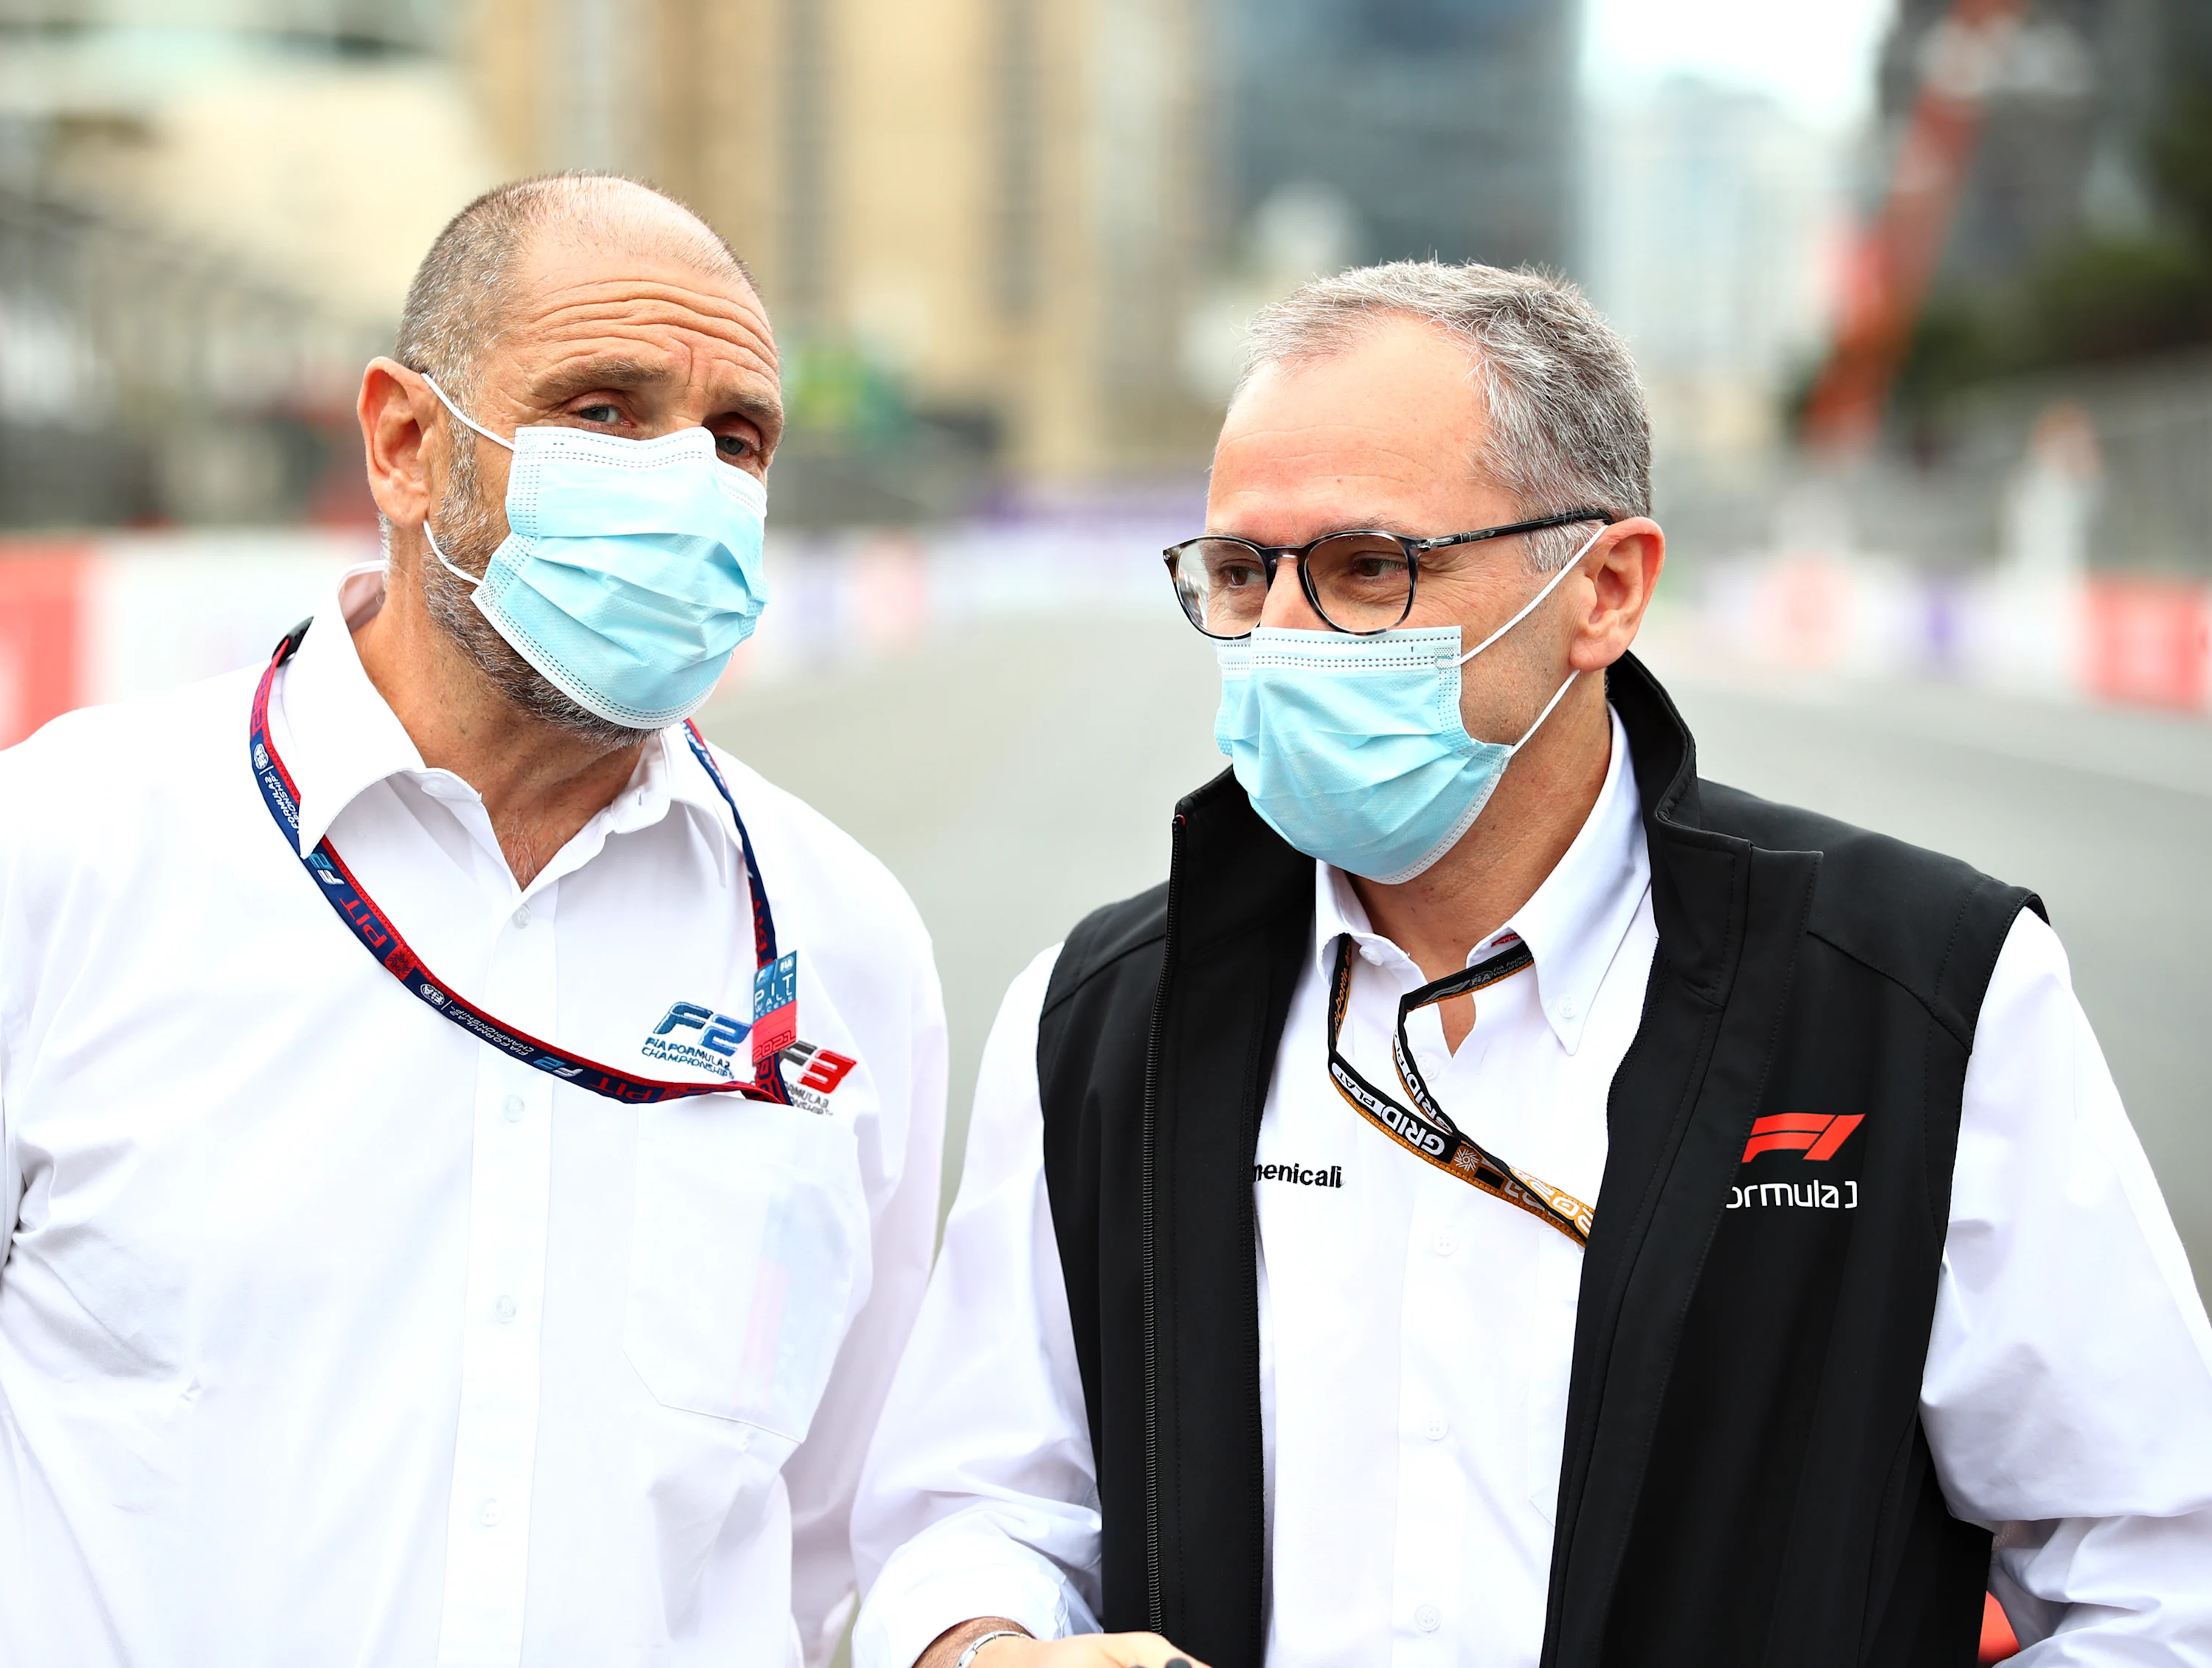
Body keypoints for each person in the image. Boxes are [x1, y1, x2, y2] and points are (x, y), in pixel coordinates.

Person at [849, 263, 2212, 1668]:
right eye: (1244, 572)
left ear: (1603, 590)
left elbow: (2159, 1578)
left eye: (1370, 568)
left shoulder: (1924, 996)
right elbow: (975, 1508)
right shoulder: (1094, 1018)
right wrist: (983, 1647)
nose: (1281, 638)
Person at [0, 174, 947, 1667]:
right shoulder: (22, 871)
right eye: (606, 409)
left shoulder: (846, 947)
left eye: (736, 436)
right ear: (403, 444)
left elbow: (827, 1523)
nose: (686, 479)